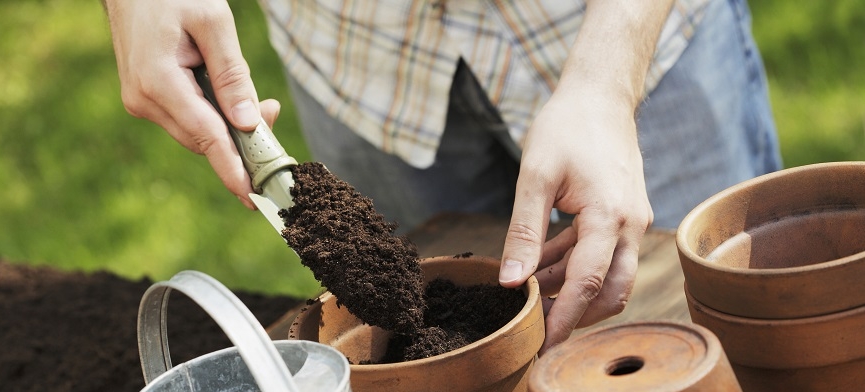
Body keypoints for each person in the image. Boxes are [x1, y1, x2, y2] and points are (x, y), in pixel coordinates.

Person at [102, 0, 780, 353]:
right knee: (414, 319)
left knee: (728, 345)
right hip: (359, 56)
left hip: (622, 39)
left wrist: (606, 85)